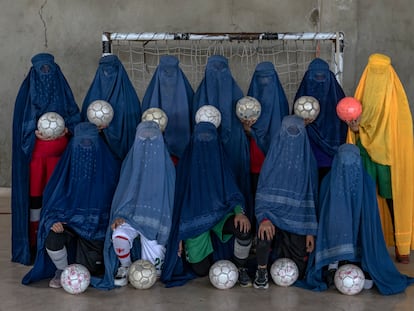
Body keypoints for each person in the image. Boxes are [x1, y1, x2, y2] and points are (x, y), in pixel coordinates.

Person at [298, 143, 414, 295]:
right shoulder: (328, 182)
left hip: (359, 236)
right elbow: (323, 217)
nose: (347, 166)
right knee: (335, 220)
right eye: (343, 161)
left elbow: (370, 220)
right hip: (334, 234)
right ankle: (333, 265)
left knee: (366, 283)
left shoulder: (366, 182)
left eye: (351, 161)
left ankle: (360, 264)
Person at [22, 122, 120, 289]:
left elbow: (117, 206)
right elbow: (52, 202)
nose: (85, 149)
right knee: (53, 237)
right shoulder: (64, 169)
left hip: (97, 229)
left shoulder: (111, 170)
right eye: (81, 144)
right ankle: (61, 270)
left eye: (90, 144)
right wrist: (53, 220)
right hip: (70, 224)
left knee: (92, 270)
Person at [161, 120, 252, 288]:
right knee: (201, 270)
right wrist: (179, 235)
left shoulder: (221, 162)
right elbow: (179, 202)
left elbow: (233, 191)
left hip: (221, 214)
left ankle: (241, 268)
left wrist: (240, 212)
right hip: (194, 220)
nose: (205, 142)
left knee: (243, 229)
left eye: (209, 138)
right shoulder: (185, 166)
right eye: (200, 138)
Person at [12, 52, 80, 265]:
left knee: (58, 199)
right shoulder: (27, 96)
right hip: (36, 162)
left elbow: (75, 119)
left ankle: (58, 245)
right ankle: (34, 245)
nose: (46, 75)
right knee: (35, 203)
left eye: (49, 70)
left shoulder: (63, 93)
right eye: (41, 70)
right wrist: (34, 133)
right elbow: (21, 130)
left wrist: (67, 129)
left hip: (59, 161)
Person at [346, 53, 414, 264]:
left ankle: (401, 246)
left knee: (393, 199)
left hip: (389, 157)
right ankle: (364, 245)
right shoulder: (362, 95)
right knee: (365, 197)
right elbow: (358, 119)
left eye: (381, 73)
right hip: (365, 151)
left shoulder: (397, 102)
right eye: (373, 72)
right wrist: (356, 129)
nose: (377, 77)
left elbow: (402, 134)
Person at [95, 120, 176, 289]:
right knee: (118, 235)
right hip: (131, 216)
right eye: (142, 139)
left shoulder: (167, 167)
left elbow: (170, 200)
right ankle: (125, 266)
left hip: (157, 220)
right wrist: (120, 216)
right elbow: (123, 195)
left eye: (151, 139)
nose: (147, 144)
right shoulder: (130, 163)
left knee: (155, 270)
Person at [254, 115, 318, 289]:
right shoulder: (271, 163)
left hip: (297, 221)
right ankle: (261, 271)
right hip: (272, 215)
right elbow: (261, 195)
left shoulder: (308, 164)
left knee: (299, 268)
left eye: (297, 133)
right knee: (264, 233)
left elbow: (310, 198)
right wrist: (264, 218)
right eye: (288, 132)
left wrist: (309, 231)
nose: (292, 137)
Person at [192, 55, 251, 220]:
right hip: (207, 152)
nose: (218, 76)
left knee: (235, 185)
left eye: (222, 70)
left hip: (234, 149)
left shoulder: (238, 97)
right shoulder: (199, 97)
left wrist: (246, 129)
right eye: (213, 71)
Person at [242, 61, 290, 228]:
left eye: (268, 79)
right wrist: (247, 130)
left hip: (274, 163)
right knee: (254, 197)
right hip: (254, 163)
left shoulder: (282, 104)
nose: (264, 84)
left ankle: (269, 239)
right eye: (260, 79)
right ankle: (255, 235)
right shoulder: (247, 104)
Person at [294, 58, 348, 184]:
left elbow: (344, 128)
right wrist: (302, 124)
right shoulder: (301, 100)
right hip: (308, 156)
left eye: (322, 77)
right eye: (315, 78)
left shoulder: (338, 99)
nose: (319, 82)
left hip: (332, 158)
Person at [81, 54, 142, 161]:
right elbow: (83, 126)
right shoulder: (93, 96)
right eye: (104, 71)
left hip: (124, 154)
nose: (108, 75)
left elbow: (133, 124)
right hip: (99, 153)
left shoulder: (129, 98)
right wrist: (94, 128)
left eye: (112, 71)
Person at [141, 55, 194, 164]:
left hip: (184, 155)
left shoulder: (189, 96)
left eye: (172, 72)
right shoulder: (150, 97)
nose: (168, 76)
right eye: (165, 72)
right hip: (155, 155)